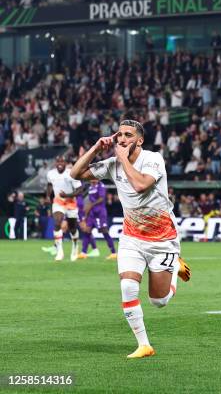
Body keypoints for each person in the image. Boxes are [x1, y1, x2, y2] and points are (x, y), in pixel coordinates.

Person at [70, 119, 192, 359]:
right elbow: (76, 174)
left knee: (159, 301)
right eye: (119, 135)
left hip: (162, 239)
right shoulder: (113, 163)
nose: (122, 139)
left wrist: (123, 158)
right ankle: (144, 345)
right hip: (131, 237)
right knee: (127, 286)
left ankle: (175, 266)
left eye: (128, 135)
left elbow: (140, 185)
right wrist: (96, 148)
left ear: (140, 140)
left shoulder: (153, 159)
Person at [42, 156, 83, 261]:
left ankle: (75, 247)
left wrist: (68, 195)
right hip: (58, 201)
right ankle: (60, 251)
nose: (60, 163)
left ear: (65, 163)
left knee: (72, 228)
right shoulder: (51, 174)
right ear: (55, 163)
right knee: (57, 223)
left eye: (62, 161)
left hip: (70, 202)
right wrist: (47, 196)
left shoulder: (71, 173)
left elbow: (80, 189)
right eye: (58, 161)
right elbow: (49, 185)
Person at [78, 178, 117, 260]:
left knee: (104, 231)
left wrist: (91, 205)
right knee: (87, 231)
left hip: (100, 213)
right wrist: (87, 213)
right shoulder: (90, 188)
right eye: (91, 180)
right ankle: (83, 253)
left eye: (94, 180)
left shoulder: (101, 186)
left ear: (98, 179)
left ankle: (113, 253)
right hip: (92, 214)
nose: (92, 181)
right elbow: (90, 201)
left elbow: (101, 199)